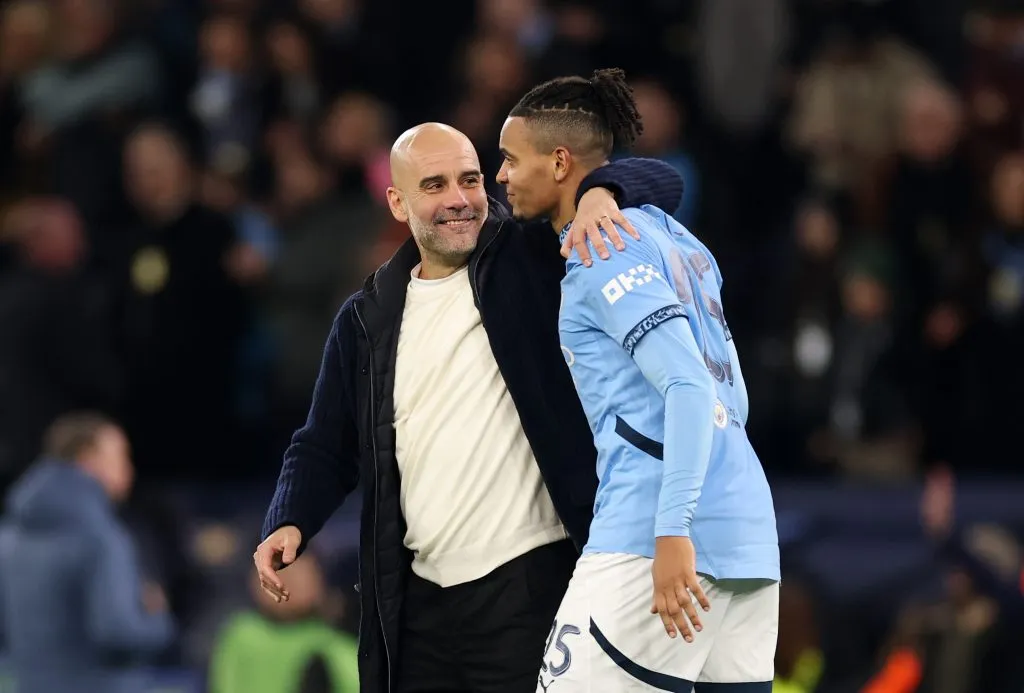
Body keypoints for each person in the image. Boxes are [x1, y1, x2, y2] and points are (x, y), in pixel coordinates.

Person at [253, 121, 684, 693]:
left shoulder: (533, 257)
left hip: (532, 588)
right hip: (418, 607)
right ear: (398, 203)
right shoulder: (366, 317)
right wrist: (289, 518)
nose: (458, 199)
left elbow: (663, 181)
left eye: (470, 180)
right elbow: (324, 443)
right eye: (434, 185)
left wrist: (600, 193)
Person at [496, 68, 780, 692]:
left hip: (654, 532)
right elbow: (730, 391)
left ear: (561, 162)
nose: (501, 175)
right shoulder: (674, 235)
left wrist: (674, 528)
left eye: (511, 159)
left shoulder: (603, 250)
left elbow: (687, 387)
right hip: (748, 529)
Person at [0, 412, 175, 693]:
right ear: (87, 458)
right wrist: (157, 618)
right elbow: (118, 632)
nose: (129, 469)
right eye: (120, 456)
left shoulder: (10, 534)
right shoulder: (103, 538)